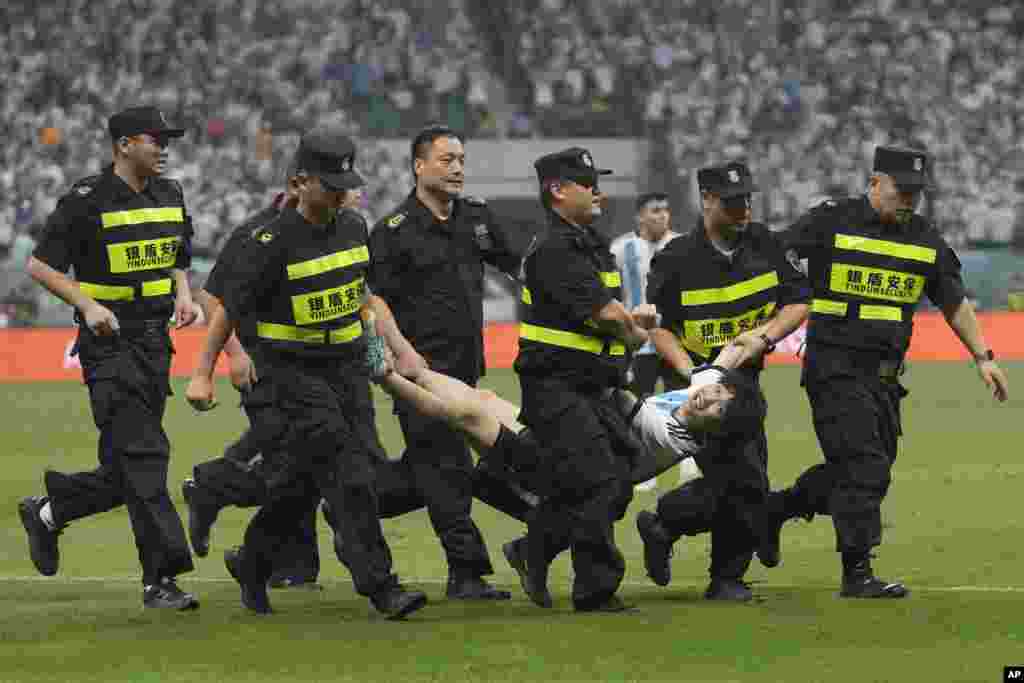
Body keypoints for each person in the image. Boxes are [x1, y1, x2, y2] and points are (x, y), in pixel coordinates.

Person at [185, 128, 427, 618]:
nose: (341, 194)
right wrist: (204, 371)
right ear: (299, 182)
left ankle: (253, 562)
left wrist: (388, 347)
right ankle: (382, 586)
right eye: (331, 185)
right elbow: (226, 310)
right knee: (350, 471)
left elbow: (362, 294)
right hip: (291, 373)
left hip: (348, 369)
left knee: (299, 484)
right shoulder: (266, 241)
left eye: (346, 184)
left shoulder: (355, 227)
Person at [755, 146, 1009, 598]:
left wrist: (983, 356)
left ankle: (777, 510)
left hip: (886, 377)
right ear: (875, 183)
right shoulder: (831, 219)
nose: (909, 199)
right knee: (865, 466)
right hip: (833, 368)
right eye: (901, 190)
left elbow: (952, 300)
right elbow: (776, 253)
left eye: (916, 192)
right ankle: (857, 574)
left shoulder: (925, 238)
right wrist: (785, 303)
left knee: (862, 471)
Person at [18, 106, 199, 610]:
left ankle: (50, 512)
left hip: (155, 342)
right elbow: (39, 265)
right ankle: (160, 579)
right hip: (109, 344)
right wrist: (87, 304)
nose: (164, 148)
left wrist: (183, 292)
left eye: (167, 141)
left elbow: (179, 253)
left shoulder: (171, 193)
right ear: (122, 145)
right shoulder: (85, 199)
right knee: (146, 457)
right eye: (154, 139)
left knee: (129, 467)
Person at [181, 171, 369, 589]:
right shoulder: (257, 234)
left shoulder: (344, 233)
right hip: (267, 365)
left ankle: (289, 561)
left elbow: (361, 295)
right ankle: (218, 491)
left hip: (324, 369)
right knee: (294, 464)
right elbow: (212, 296)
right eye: (343, 189)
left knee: (311, 459)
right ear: (301, 186)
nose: (352, 196)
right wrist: (235, 354)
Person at [639, 161, 810, 601]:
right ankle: (725, 577)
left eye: (748, 199)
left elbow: (798, 302)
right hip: (703, 393)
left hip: (748, 385)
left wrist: (764, 338)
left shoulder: (766, 244)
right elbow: (658, 327)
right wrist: (692, 373)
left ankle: (665, 523)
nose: (744, 208)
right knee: (746, 481)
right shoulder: (675, 260)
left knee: (741, 483)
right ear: (707, 201)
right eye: (733, 202)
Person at [368, 124, 522, 600]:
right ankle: (467, 572)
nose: (457, 168)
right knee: (448, 468)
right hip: (421, 375)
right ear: (419, 166)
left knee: (429, 472)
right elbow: (372, 299)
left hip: (468, 370)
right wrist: (399, 356)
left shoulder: (477, 218)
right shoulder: (392, 232)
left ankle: (353, 500)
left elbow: (515, 264)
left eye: (460, 159)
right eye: (446, 160)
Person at [513, 147, 650, 612]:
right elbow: (609, 315)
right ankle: (595, 590)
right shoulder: (554, 249)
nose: (598, 191)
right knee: (598, 479)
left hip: (589, 386)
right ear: (557, 190)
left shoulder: (587, 242)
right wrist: (634, 331)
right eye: (586, 183)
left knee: (613, 477)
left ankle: (533, 548)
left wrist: (627, 328)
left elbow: (614, 319)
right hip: (554, 386)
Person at [610, 192, 689, 491]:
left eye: (666, 210)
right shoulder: (620, 248)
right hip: (638, 340)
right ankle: (643, 465)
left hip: (673, 338)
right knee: (636, 404)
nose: (662, 216)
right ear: (640, 216)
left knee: (679, 398)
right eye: (654, 211)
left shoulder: (682, 245)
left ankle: (687, 463)